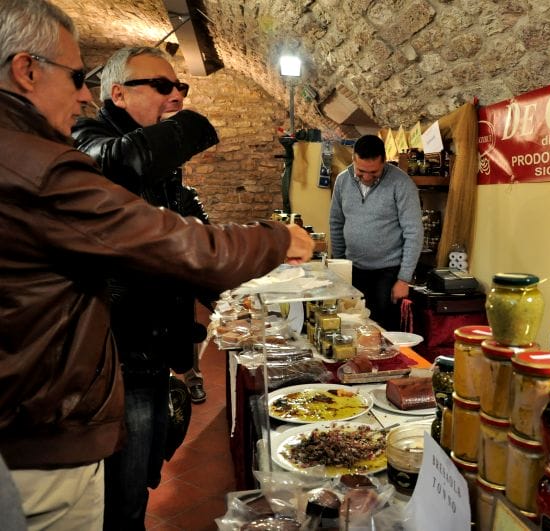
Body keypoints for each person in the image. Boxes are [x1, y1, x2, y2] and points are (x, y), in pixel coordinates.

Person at [0, 2, 313, 529]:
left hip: (121, 363)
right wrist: (276, 239)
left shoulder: (43, 154)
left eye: (182, 88)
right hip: (78, 389)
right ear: (27, 70)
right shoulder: (69, 150)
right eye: (76, 77)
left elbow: (185, 230)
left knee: (136, 484)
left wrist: (232, 299)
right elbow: (166, 231)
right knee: (122, 502)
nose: (82, 94)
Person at [70, 45, 216, 529]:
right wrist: (193, 123)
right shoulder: (88, 139)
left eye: (180, 87)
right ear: (116, 94)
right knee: (123, 494)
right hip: (116, 356)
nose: (176, 95)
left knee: (145, 472)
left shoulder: (162, 169)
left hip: (153, 350)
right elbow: (121, 162)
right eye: (161, 86)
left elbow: (188, 242)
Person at [329, 135, 423, 331]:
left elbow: (414, 232)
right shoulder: (342, 181)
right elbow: (336, 223)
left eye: (374, 172)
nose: (367, 177)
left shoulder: (402, 183)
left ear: (384, 161)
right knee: (352, 327)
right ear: (353, 159)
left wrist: (404, 279)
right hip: (353, 269)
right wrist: (340, 266)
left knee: (384, 331)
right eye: (361, 171)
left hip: (388, 273)